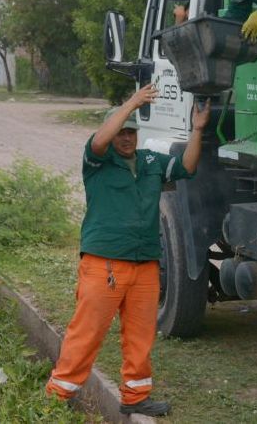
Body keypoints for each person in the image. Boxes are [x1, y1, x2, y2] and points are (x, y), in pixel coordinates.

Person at [45, 83, 210, 417]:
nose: (126, 138)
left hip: (145, 263)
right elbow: (99, 140)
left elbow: (187, 167)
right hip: (104, 264)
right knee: (87, 332)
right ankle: (56, 397)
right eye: (121, 132)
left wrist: (197, 130)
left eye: (131, 132)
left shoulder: (149, 161)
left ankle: (135, 396)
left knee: (140, 335)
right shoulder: (98, 161)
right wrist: (132, 103)